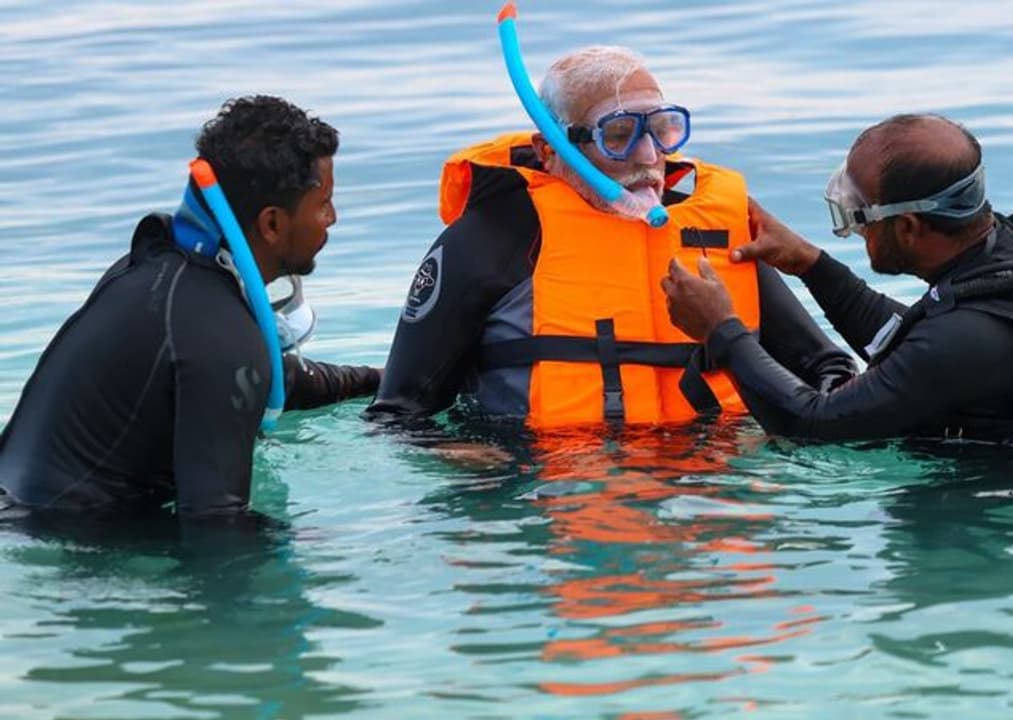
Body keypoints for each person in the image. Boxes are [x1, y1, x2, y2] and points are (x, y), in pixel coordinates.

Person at [370, 46, 852, 427]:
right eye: (618, 135)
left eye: (664, 130)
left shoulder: (712, 233)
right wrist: (468, 462)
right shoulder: (490, 240)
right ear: (549, 149)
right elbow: (395, 414)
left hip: (708, 490)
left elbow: (830, 369)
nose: (648, 156)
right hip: (544, 495)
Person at [0, 95, 381, 520]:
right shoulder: (221, 333)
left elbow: (262, 375)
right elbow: (216, 526)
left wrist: (375, 380)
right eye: (323, 203)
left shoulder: (157, 275)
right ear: (272, 224)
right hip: (63, 541)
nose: (333, 218)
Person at [661, 113, 1013, 445]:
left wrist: (721, 332)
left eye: (858, 216)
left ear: (909, 227)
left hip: (1001, 520)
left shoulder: (965, 339)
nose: (856, 230)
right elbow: (912, 344)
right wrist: (811, 264)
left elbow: (814, 425)